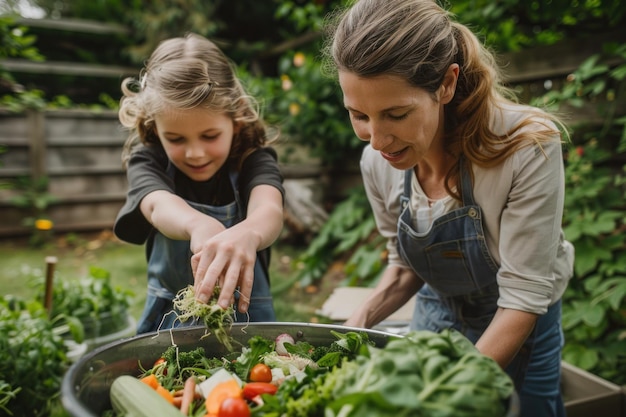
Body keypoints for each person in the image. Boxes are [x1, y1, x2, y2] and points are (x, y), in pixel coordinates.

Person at [325, 1, 574, 416]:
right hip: (438, 310)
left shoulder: (526, 147)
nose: (377, 140)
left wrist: (443, 393)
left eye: (396, 114)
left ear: (446, 84)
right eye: (359, 115)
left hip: (521, 321)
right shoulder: (378, 162)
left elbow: (523, 298)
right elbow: (405, 266)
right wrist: (359, 320)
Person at [113, 33, 285, 334]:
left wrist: (249, 232)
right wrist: (198, 225)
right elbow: (157, 205)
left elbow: (268, 208)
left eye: (210, 136)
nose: (195, 153)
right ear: (155, 127)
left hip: (249, 320)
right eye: (176, 139)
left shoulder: (252, 160)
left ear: (236, 118)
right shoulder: (148, 161)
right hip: (169, 322)